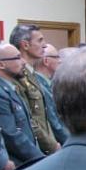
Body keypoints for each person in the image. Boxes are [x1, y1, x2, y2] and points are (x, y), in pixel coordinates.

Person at [0, 43, 41, 164]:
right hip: (17, 163)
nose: (24, 62)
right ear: (1, 64)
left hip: (28, 160)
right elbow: (11, 135)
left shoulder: (9, 87)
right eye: (17, 57)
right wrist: (40, 158)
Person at [8, 25, 58, 154]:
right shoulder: (18, 75)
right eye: (40, 40)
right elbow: (30, 119)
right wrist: (51, 145)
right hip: (34, 149)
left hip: (45, 146)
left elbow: (44, 117)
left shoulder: (31, 73)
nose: (44, 45)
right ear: (25, 45)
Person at [34, 44, 69, 144]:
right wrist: (70, 142)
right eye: (57, 57)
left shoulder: (47, 83)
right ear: (46, 61)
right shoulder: (40, 86)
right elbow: (54, 123)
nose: (60, 60)